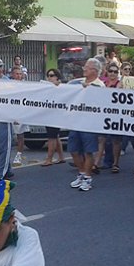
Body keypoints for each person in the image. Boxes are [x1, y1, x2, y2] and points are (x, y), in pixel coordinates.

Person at [67, 58, 106, 191]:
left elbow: (99, 101)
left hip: (89, 123)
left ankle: (88, 178)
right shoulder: (78, 83)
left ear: (94, 71)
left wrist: (87, 89)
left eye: (87, 67)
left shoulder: (99, 85)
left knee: (88, 151)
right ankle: (82, 173)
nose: (84, 69)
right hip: (76, 121)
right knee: (73, 149)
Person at [41, 69, 66, 167]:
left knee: (52, 137)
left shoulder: (61, 87)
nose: (49, 78)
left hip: (56, 114)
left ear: (57, 77)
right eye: (48, 76)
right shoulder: (48, 87)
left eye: (52, 75)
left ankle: (49, 159)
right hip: (49, 113)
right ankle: (61, 157)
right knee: (55, 136)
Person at [10, 66, 30, 167]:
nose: (18, 75)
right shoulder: (8, 85)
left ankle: (19, 155)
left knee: (20, 135)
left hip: (21, 113)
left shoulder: (25, 85)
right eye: (16, 74)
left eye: (20, 74)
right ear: (12, 75)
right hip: (10, 112)